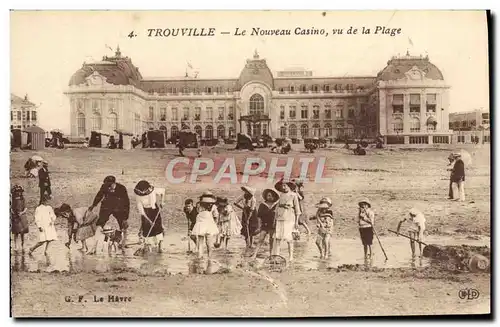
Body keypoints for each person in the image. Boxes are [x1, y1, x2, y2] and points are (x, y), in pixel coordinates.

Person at [87, 175, 130, 253]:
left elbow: (126, 203)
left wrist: (125, 218)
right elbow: (99, 196)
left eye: (110, 186)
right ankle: (93, 247)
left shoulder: (122, 188)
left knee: (123, 226)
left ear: (114, 183)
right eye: (107, 186)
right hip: (107, 206)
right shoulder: (104, 186)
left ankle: (122, 244)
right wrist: (93, 205)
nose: (109, 188)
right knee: (100, 224)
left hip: (119, 208)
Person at [274, 178, 301, 263]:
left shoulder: (293, 195)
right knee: (278, 238)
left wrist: (296, 222)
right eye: (282, 185)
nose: (283, 187)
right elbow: (277, 208)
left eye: (285, 185)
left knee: (289, 239)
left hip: (289, 219)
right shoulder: (281, 195)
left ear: (289, 186)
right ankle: (277, 255)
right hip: (280, 219)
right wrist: (275, 220)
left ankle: (291, 257)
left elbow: (297, 210)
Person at [134, 180, 165, 253]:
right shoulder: (138, 195)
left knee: (158, 228)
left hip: (154, 210)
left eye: (145, 190)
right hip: (145, 212)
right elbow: (141, 211)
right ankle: (148, 247)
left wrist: (162, 202)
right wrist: (149, 221)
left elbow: (163, 191)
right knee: (147, 229)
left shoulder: (152, 190)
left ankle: (160, 247)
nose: (143, 191)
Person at [251, 188, 279, 259]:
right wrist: (259, 225)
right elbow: (259, 216)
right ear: (266, 196)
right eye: (268, 195)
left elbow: (278, 215)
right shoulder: (262, 205)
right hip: (265, 224)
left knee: (271, 240)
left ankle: (271, 255)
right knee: (261, 239)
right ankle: (254, 254)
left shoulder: (276, 205)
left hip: (273, 224)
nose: (270, 197)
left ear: (274, 197)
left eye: (271, 196)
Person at [191, 192, 220, 259]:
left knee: (201, 242)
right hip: (208, 224)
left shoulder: (198, 205)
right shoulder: (213, 206)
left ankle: (200, 256)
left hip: (201, 224)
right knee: (209, 242)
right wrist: (214, 224)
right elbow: (216, 216)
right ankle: (209, 257)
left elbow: (198, 213)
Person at [10, 185, 29, 252]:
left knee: (22, 232)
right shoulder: (13, 200)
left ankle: (23, 245)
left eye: (20, 191)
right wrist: (14, 213)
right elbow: (11, 208)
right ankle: (15, 245)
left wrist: (22, 213)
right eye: (17, 191)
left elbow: (26, 208)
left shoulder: (23, 199)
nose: (18, 193)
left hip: (22, 216)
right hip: (15, 216)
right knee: (16, 232)